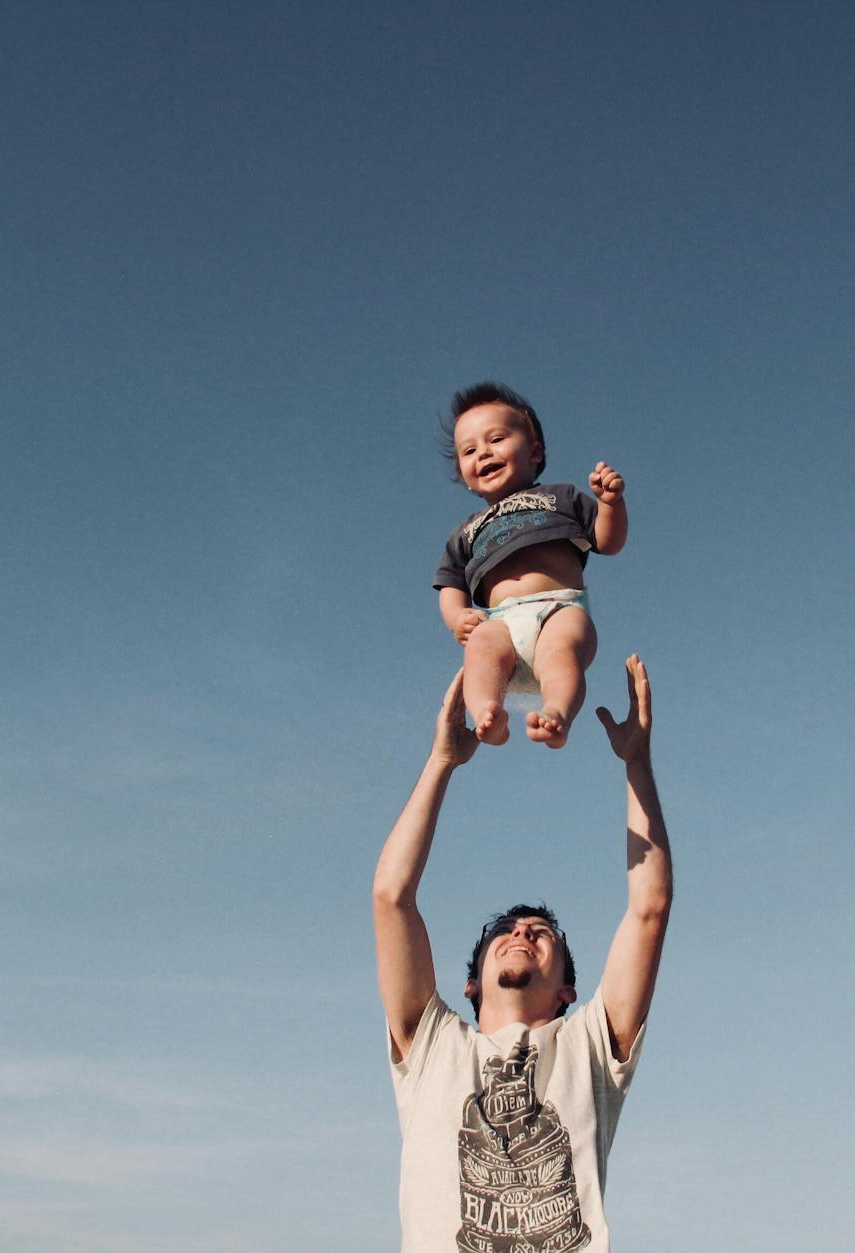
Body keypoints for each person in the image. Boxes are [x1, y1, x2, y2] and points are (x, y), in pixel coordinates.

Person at [372, 655, 672, 1252]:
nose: (523, 933)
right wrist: (441, 762)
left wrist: (637, 764)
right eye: (506, 931)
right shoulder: (433, 1048)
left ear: (567, 991)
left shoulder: (589, 1046)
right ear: (470, 984)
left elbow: (649, 908)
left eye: (542, 933)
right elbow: (391, 897)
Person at [434, 381, 628, 749]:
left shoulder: (561, 497)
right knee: (480, 650)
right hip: (500, 621)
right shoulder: (467, 531)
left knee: (560, 654)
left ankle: (556, 712)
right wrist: (457, 617)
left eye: (496, 439)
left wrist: (610, 505)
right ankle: (487, 712)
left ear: (534, 452)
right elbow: (450, 583)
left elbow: (608, 541)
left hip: (560, 608)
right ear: (464, 475)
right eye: (470, 449)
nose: (483, 453)